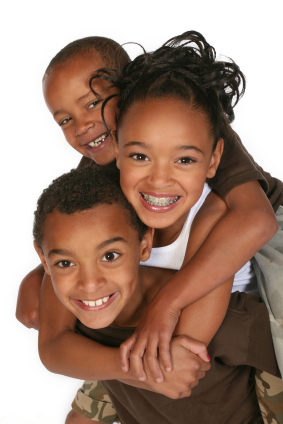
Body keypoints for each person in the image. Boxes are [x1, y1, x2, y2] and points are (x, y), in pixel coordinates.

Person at [16, 32, 283, 422]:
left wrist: (167, 305)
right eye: (65, 119)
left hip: (269, 227)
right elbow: (79, 242)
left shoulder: (193, 126)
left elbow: (254, 221)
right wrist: (43, 272)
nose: (83, 126)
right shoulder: (98, 172)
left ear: (127, 92)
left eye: (93, 103)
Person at [34, 165, 280, 424]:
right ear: (44, 260)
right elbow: (53, 348)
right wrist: (141, 370)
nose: (90, 283)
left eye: (110, 256)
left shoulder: (226, 320)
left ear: (144, 245)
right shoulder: (82, 311)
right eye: (65, 263)